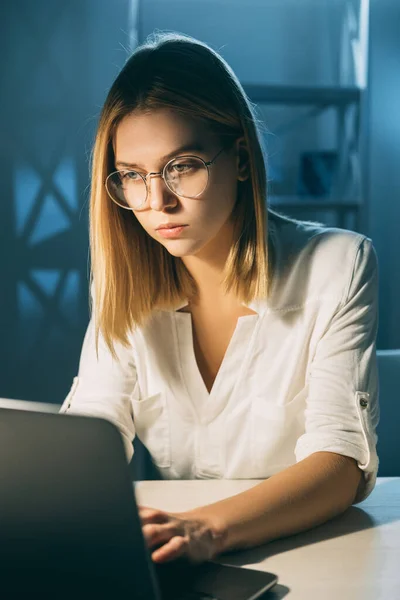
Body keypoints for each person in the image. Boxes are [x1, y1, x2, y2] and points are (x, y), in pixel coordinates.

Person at [60, 32, 379, 566]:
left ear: (241, 158)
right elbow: (92, 435)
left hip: (313, 547)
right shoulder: (124, 288)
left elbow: (341, 460)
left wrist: (206, 529)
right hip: (181, 553)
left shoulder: (338, 264)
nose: (157, 201)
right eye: (134, 177)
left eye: (182, 166)